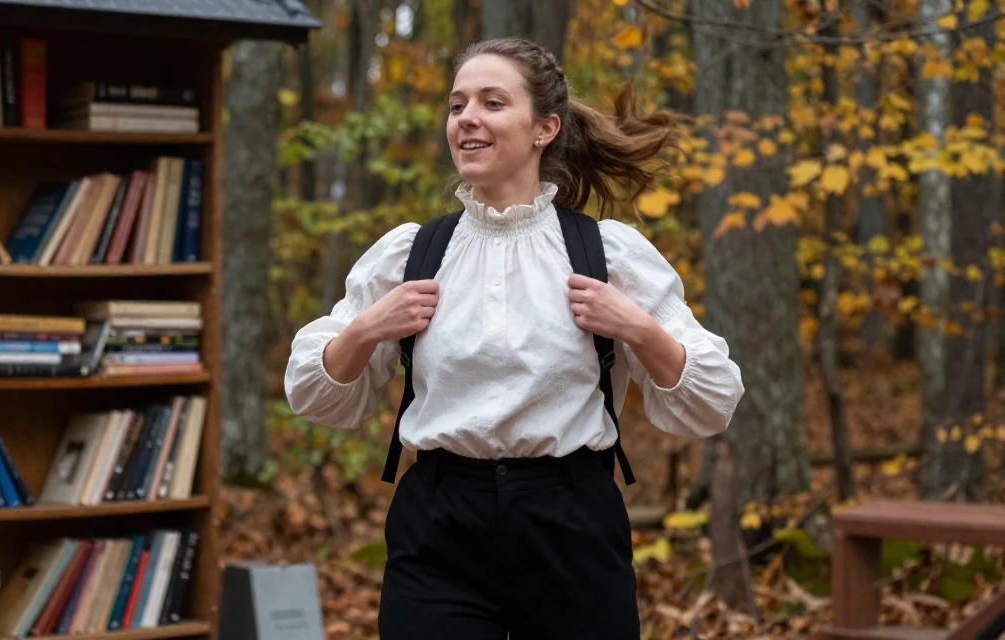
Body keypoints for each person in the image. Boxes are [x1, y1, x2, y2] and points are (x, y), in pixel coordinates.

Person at [284, 37, 744, 639]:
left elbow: (714, 401)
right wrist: (369, 326)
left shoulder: (607, 254)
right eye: (456, 105)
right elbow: (313, 394)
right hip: (439, 525)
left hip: (571, 523)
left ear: (544, 128)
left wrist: (636, 326)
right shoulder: (412, 254)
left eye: (492, 102)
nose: (467, 118)